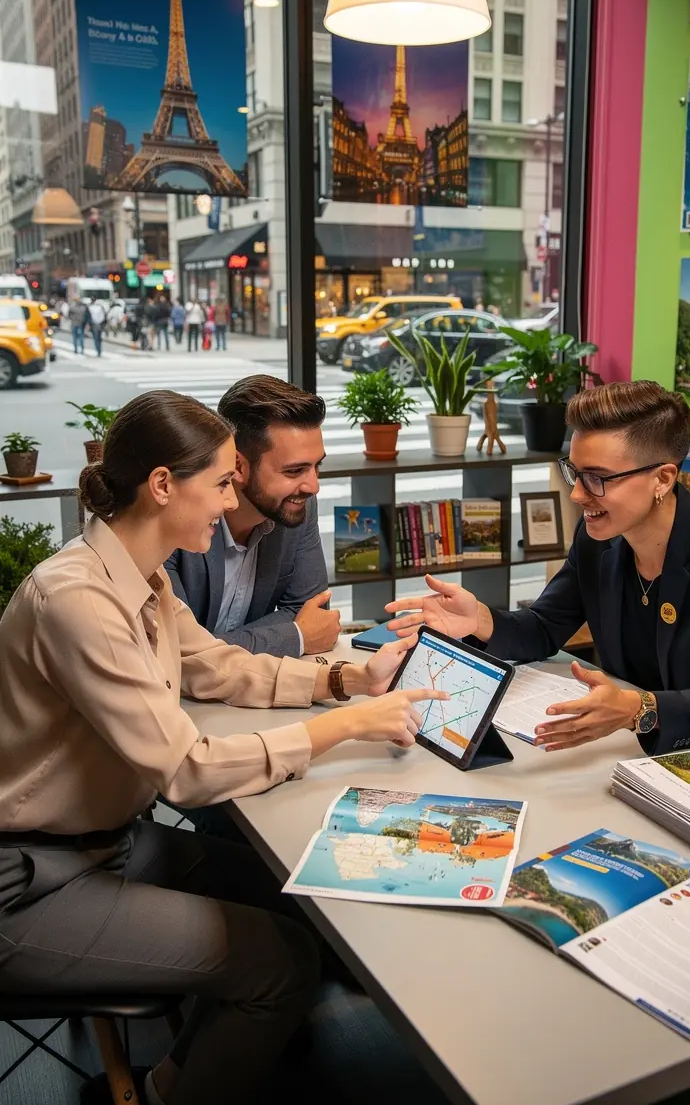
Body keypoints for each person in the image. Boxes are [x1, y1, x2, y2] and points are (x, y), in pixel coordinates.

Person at [0, 389, 440, 1105]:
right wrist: (351, 724)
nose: (229, 500)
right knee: (282, 960)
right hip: (28, 882)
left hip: (104, 844)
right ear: (163, 485)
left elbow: (219, 665)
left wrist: (352, 676)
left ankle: (168, 1080)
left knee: (290, 895)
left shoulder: (140, 576)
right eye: (221, 482)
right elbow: (187, 769)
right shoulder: (77, 600)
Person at [387, 381, 690, 761]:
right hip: (639, 755)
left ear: (663, 478)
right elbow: (543, 628)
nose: (576, 494)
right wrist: (480, 620)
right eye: (574, 471)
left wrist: (638, 708)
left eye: (597, 478)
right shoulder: (598, 539)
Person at [166, 374, 340, 661]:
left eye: (316, 466)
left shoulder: (296, 506)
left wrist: (211, 645)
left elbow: (313, 614)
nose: (313, 486)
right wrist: (294, 636)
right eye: (294, 471)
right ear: (238, 467)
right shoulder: (178, 517)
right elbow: (175, 651)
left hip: (249, 695)